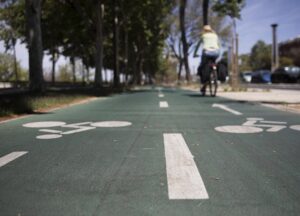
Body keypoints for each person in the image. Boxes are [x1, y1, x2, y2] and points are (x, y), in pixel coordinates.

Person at [193, 25, 221, 96]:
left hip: (206, 52)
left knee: (202, 67)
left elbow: (197, 46)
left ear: (204, 30)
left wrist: (195, 54)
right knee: (214, 63)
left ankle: (203, 84)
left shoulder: (203, 36)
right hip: (216, 52)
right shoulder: (215, 35)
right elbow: (219, 45)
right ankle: (215, 74)